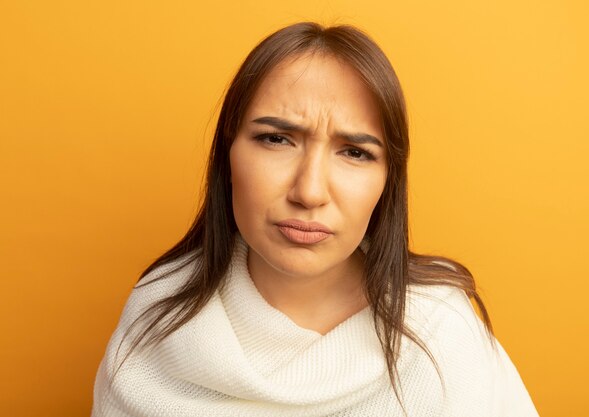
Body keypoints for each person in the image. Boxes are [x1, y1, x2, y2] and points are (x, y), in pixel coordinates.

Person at [91, 22, 539, 416]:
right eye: (276, 139)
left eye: (355, 152)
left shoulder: (440, 331)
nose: (309, 192)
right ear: (227, 155)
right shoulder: (158, 315)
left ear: (388, 182)